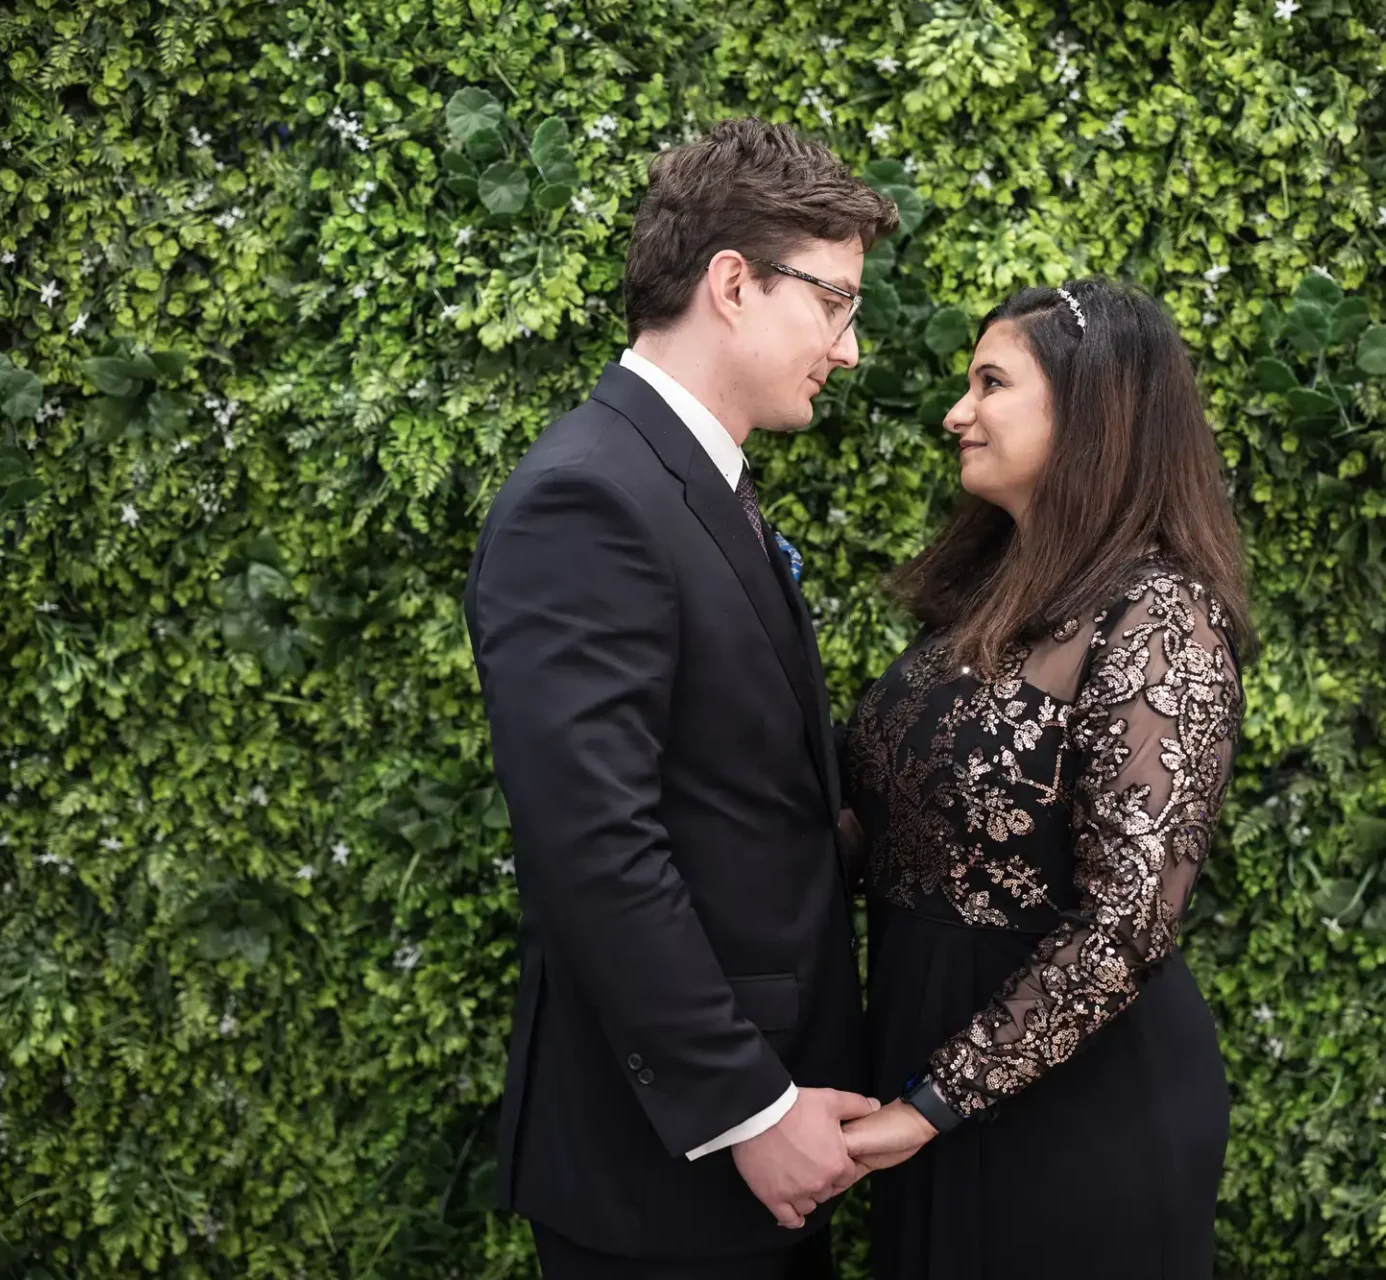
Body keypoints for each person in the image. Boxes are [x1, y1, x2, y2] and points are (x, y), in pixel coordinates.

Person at [462, 117, 899, 1279]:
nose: (850, 348)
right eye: (837, 301)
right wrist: (750, 1105)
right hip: (670, 1169)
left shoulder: (685, 479)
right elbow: (594, 844)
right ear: (734, 283)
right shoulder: (589, 498)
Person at [837, 279, 1254, 1277]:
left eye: (991, 383)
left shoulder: (1160, 620)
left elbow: (1128, 921)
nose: (956, 412)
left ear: (1090, 411)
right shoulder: (988, 596)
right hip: (929, 1069)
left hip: (1077, 1108)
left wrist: (933, 1100)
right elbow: (897, 824)